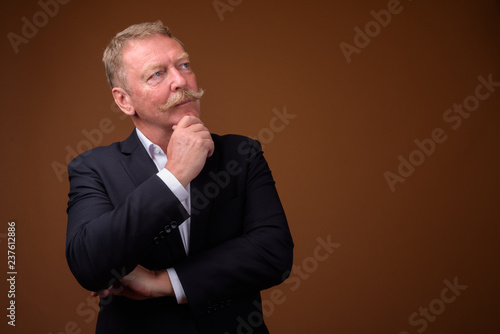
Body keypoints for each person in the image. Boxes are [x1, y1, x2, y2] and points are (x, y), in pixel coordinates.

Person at [65, 20, 294, 334]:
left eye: (184, 64)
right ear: (124, 100)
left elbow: (274, 253)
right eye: (157, 73)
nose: (180, 80)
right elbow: (90, 266)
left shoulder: (242, 153)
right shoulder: (93, 167)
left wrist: (164, 283)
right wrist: (175, 176)